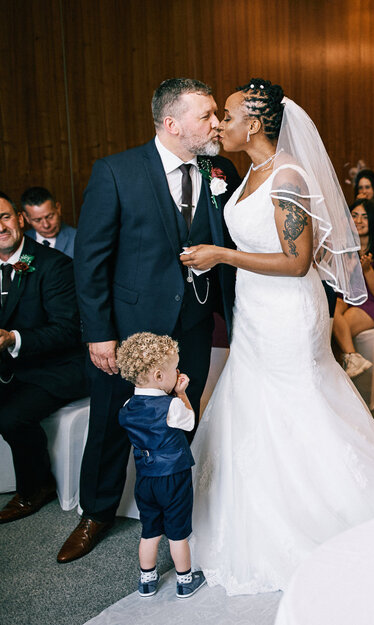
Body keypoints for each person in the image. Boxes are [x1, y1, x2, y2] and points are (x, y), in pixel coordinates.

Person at [179, 79, 374, 594]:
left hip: (288, 308)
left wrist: (220, 255)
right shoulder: (249, 175)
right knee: (256, 401)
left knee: (295, 401)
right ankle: (265, 498)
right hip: (257, 309)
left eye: (227, 114)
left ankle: (320, 507)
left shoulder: (287, 176)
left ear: (255, 123)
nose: (220, 123)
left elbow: (296, 262)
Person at [65, 78, 240, 564]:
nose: (215, 123)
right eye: (205, 115)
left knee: (182, 416)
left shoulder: (220, 169)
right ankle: (96, 513)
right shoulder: (117, 172)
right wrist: (100, 334)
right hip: (131, 331)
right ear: (171, 123)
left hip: (193, 324)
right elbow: (91, 260)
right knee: (110, 424)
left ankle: (173, 512)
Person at [0, 192, 88, 524]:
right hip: (14, 366)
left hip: (59, 367)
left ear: (19, 219)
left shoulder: (56, 266)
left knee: (11, 416)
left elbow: (67, 330)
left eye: (5, 217)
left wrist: (12, 339)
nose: (1, 227)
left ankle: (35, 489)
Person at [115, 332, 205, 599]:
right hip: (173, 477)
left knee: (150, 531)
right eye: (173, 368)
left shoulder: (128, 405)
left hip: (146, 478)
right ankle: (185, 580)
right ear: (157, 376)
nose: (178, 371)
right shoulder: (170, 406)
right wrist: (182, 394)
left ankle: (147, 580)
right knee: (177, 534)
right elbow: (189, 422)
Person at [332, 198, 374, 377]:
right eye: (354, 216)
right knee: (331, 311)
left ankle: (340, 376)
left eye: (365, 217)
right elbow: (337, 285)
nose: (359, 221)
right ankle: (353, 358)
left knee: (336, 330)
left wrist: (367, 270)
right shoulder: (343, 246)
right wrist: (350, 269)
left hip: (372, 303)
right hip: (346, 297)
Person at [19, 187, 77, 257]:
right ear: (26, 218)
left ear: (58, 209)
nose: (46, 225)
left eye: (50, 216)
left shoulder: (77, 238)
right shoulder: (21, 241)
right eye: (37, 220)